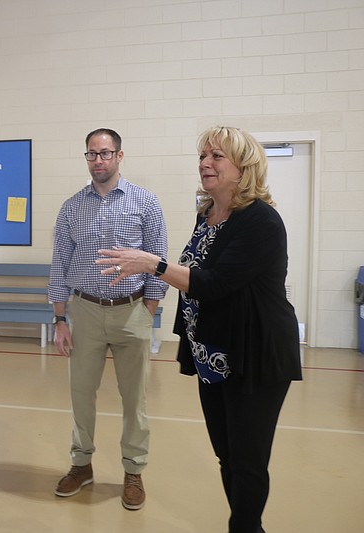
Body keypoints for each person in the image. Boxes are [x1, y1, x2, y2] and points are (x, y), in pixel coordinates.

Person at [97, 126, 302, 532]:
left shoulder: (260, 220)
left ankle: (245, 527)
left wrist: (152, 264)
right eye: (202, 156)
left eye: (216, 156)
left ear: (244, 166)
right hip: (213, 357)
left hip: (254, 355)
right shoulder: (207, 214)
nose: (205, 163)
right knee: (227, 454)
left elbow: (213, 282)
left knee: (247, 461)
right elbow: (198, 272)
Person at [48, 128, 168, 510]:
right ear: (86, 158)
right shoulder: (71, 207)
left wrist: (147, 309)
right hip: (84, 311)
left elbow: (159, 258)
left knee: (134, 398)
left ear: (119, 156)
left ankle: (133, 470)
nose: (98, 160)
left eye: (105, 153)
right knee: (81, 393)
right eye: (92, 154)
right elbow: (59, 264)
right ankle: (81, 464)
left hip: (132, 310)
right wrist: (60, 319)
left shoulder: (145, 202)